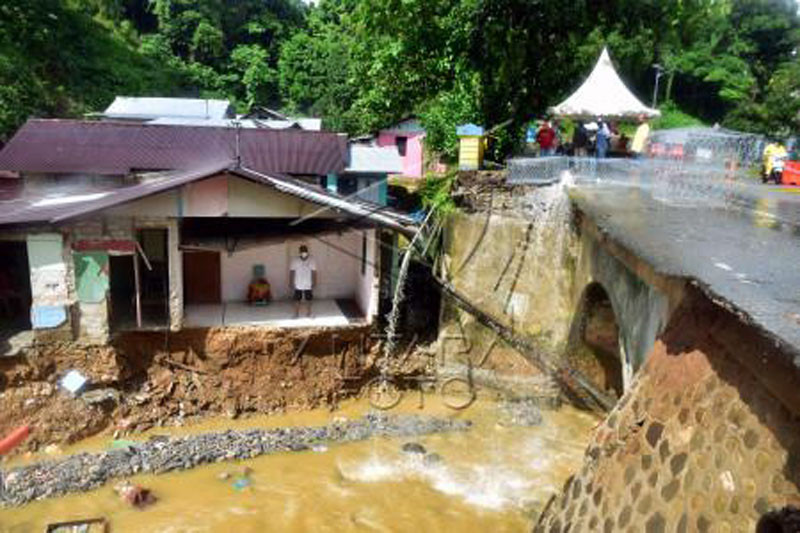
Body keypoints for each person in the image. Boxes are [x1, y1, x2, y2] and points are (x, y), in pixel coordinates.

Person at [289, 244, 317, 318]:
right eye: (302, 251)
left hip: (308, 283)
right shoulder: (295, 260)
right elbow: (292, 271)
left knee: (309, 299)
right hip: (298, 283)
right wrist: (291, 282)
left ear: (307, 251)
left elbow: (314, 271)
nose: (303, 252)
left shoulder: (312, 259)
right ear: (300, 252)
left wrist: (314, 282)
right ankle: (296, 314)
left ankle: (309, 313)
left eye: (305, 251)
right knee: (297, 299)